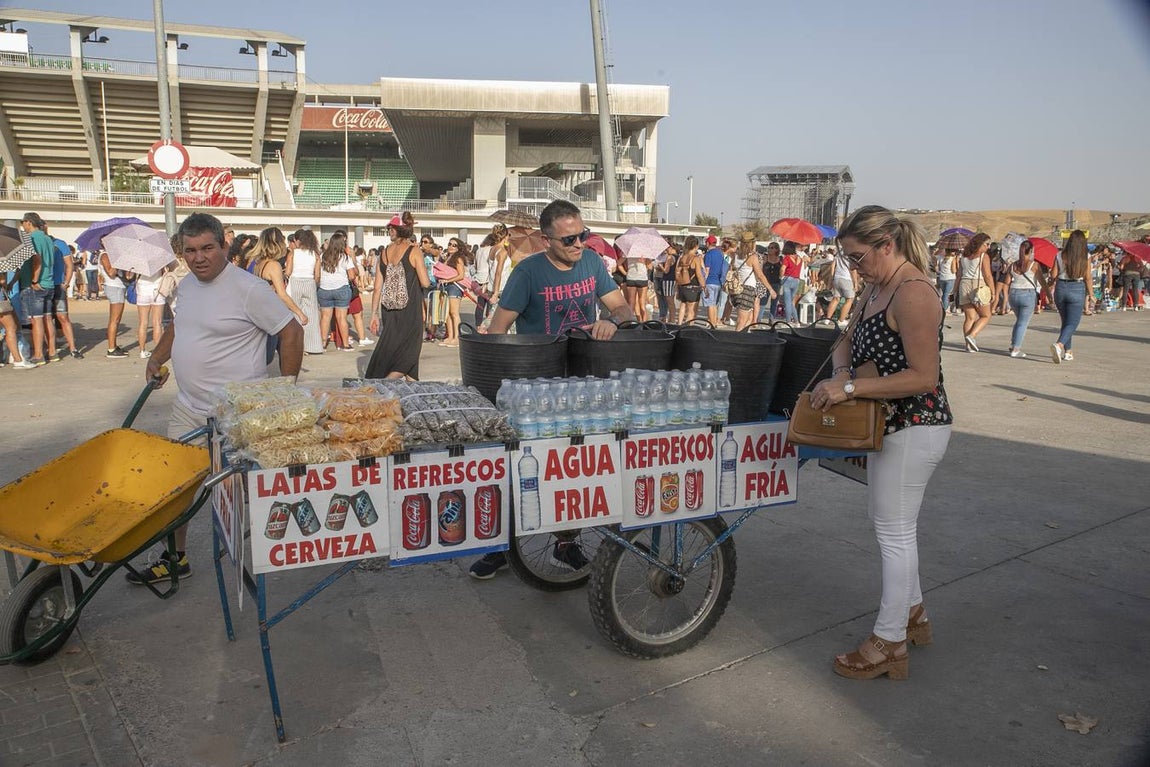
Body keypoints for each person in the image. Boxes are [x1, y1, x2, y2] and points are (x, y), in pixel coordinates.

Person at [810, 204, 952, 681]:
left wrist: (849, 389)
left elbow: (923, 377)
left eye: (857, 256)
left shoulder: (913, 293)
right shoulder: (876, 286)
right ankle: (914, 616)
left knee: (894, 532)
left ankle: (889, 640)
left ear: (885, 246)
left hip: (915, 426)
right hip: (886, 425)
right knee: (888, 523)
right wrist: (844, 372)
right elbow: (845, 340)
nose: (853, 267)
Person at [129, 212, 303, 584]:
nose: (199, 257)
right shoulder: (187, 286)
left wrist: (285, 390)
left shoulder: (249, 289)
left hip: (235, 417)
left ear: (224, 246)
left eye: (208, 247)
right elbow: (180, 326)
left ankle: (259, 565)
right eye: (190, 250)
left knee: (237, 496)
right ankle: (176, 559)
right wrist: (159, 358)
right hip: (188, 408)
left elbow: (291, 332)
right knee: (174, 488)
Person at [469, 199, 635, 580]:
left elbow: (622, 308)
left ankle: (566, 543)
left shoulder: (593, 263)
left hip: (582, 384)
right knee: (520, 468)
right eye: (569, 239)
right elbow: (497, 332)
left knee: (574, 470)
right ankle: (501, 546)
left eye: (583, 235)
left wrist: (612, 320)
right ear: (547, 240)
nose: (579, 244)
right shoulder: (527, 273)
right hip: (536, 387)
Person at [366, 212, 430, 378]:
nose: (389, 231)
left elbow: (378, 286)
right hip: (409, 310)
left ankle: (413, 390)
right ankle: (386, 382)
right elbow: (425, 282)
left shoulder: (385, 253)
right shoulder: (414, 251)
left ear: (400, 229)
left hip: (388, 310)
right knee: (410, 350)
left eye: (392, 228)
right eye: (389, 228)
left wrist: (374, 314)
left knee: (394, 348)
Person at [247, 227, 309, 363]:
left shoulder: (256, 263)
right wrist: (300, 313)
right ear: (278, 243)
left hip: (258, 313)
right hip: (271, 314)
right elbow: (281, 294)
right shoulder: (273, 265)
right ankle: (287, 381)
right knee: (273, 354)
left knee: (267, 354)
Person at [17, 212, 57, 366]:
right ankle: (52, 352)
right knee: (48, 318)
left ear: (28, 222)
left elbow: (37, 259)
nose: (23, 226)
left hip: (38, 284)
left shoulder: (32, 238)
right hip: (49, 283)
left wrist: (34, 280)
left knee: (37, 320)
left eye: (23, 223)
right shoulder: (47, 238)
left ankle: (39, 354)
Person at [1048, 230, 1093, 363]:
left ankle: (1068, 352)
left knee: (1066, 321)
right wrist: (1091, 294)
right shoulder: (1086, 256)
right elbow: (1088, 277)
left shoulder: (1060, 255)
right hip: (1076, 287)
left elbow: (1053, 274)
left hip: (1061, 287)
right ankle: (1059, 345)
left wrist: (1050, 284)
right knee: (1073, 322)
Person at [314, 231, 359, 352]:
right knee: (341, 318)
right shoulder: (344, 257)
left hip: (324, 289)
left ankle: (322, 344)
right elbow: (351, 276)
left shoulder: (323, 256)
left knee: (325, 317)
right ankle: (346, 344)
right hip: (341, 289)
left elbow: (317, 272)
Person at [284, 229, 323, 353]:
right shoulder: (315, 254)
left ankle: (298, 345)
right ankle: (313, 346)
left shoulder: (293, 253)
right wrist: (314, 283)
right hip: (310, 282)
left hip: (296, 281)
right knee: (312, 314)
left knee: (296, 313)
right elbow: (317, 275)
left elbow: (288, 272)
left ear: (297, 241)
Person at [956, 233, 994, 352]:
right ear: (980, 243)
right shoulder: (983, 256)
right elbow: (987, 275)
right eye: (987, 244)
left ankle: (968, 346)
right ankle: (972, 336)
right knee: (985, 315)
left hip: (964, 285)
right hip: (978, 286)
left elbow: (959, 274)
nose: (988, 247)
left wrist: (954, 290)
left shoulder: (964, 255)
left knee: (970, 318)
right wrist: (992, 291)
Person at [1004, 241, 1042, 358]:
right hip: (1028, 294)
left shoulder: (1013, 265)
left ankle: (1013, 344)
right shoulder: (1034, 265)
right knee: (1023, 323)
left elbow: (1006, 283)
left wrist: (1005, 299)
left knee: (1019, 320)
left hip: (1013, 294)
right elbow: (1042, 281)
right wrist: (1050, 296)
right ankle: (1016, 348)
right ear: (1030, 251)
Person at [730, 233, 775, 330]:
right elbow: (760, 275)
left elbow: (731, 270)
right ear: (752, 243)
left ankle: (745, 339)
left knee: (747, 319)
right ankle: (736, 341)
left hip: (737, 289)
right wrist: (770, 289)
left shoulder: (735, 255)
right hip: (747, 289)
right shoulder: (752, 257)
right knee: (742, 321)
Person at [439, 237, 472, 347]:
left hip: (455, 287)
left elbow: (461, 275)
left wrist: (448, 280)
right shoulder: (447, 258)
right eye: (449, 244)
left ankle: (457, 338)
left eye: (454, 245)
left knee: (454, 313)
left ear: (459, 248)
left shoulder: (458, 258)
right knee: (447, 313)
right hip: (446, 286)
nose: (451, 246)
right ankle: (450, 336)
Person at [133, 266, 168, 359]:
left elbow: (129, 276)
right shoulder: (159, 259)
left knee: (143, 322)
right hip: (157, 289)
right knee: (157, 322)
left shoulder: (138, 261)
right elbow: (165, 273)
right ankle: (158, 352)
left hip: (142, 290)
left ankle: (142, 351)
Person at [824, 245, 859, 326]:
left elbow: (832, 266)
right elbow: (852, 270)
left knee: (835, 299)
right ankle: (841, 320)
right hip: (847, 278)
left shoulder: (839, 253)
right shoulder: (850, 255)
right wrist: (856, 283)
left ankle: (827, 319)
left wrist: (831, 279)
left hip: (837, 277)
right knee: (849, 299)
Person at [675, 235, 705, 325]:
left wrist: (677, 288)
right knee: (692, 311)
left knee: (683, 306)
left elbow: (677, 272)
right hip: (693, 287)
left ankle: (679, 324)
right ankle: (688, 328)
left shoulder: (682, 257)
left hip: (682, 286)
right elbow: (699, 275)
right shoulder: (696, 258)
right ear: (696, 245)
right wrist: (704, 286)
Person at [621, 241, 653, 322]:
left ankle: (630, 323)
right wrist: (644, 262)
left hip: (631, 278)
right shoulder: (645, 253)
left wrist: (626, 273)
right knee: (642, 303)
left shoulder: (628, 252)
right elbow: (650, 267)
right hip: (642, 279)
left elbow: (619, 263)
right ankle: (644, 323)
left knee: (631, 303)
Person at [701, 234, 728, 326]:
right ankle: (715, 321)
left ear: (708, 243)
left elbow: (707, 270)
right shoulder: (720, 254)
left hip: (709, 282)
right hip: (718, 282)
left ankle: (712, 323)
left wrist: (703, 283)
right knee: (714, 304)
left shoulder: (708, 254)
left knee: (710, 304)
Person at [778, 241, 803, 323]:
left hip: (788, 280)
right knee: (791, 302)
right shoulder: (799, 258)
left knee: (787, 303)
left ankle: (788, 321)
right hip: (796, 280)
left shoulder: (787, 258)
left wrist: (780, 276)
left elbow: (782, 269)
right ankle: (796, 321)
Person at [654, 243, 678, 323]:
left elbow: (666, 270)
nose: (666, 250)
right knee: (671, 301)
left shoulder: (670, 257)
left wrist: (660, 265)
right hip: (674, 280)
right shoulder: (678, 256)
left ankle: (671, 319)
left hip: (667, 280)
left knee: (669, 300)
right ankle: (672, 318)